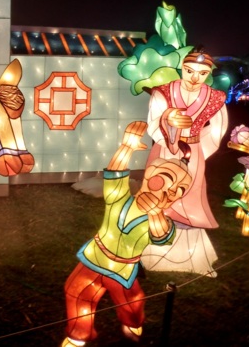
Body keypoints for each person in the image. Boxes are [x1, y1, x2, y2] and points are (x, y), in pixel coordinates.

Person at [62, 121, 192, 346]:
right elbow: (115, 174)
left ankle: (132, 322)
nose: (169, 192)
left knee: (131, 303)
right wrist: (126, 148)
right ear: (150, 177)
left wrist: (155, 213)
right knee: (76, 292)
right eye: (165, 180)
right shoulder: (120, 199)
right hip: (94, 258)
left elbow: (161, 236)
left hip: (122, 269)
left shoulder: (161, 221)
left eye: (177, 191)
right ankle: (78, 335)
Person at [140, 46, 228, 276]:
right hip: (164, 149)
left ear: (209, 73)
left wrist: (200, 148)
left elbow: (218, 129)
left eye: (202, 73)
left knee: (189, 193)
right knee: (158, 189)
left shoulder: (214, 98)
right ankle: (154, 237)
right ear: (182, 68)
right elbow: (153, 122)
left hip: (194, 151)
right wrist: (168, 121)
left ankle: (186, 244)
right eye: (189, 71)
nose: (194, 78)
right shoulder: (164, 92)